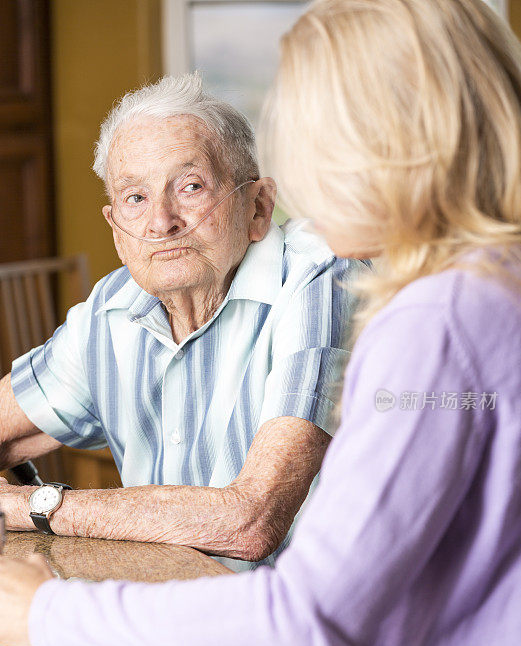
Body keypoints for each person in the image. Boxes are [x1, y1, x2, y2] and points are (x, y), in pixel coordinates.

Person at [1, 0, 521, 646]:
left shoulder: (435, 315)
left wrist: (46, 612)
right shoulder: (488, 285)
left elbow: (307, 612)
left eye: (310, 128)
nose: (304, 174)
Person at [0, 74, 361, 571]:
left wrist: (34, 507)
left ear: (258, 207)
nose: (161, 222)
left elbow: (253, 520)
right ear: (115, 228)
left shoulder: (321, 275)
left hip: (315, 626)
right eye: (135, 198)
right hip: (164, 611)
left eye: (191, 187)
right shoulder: (112, 309)